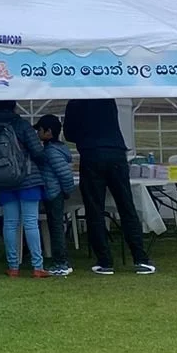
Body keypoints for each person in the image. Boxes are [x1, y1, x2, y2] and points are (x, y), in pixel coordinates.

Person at [64, 98, 155, 275]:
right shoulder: (107, 96)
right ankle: (140, 258)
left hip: (91, 153)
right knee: (126, 206)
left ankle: (105, 261)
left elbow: (69, 134)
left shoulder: (75, 101)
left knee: (94, 209)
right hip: (116, 152)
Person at [0, 101, 48, 276]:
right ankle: (37, 266)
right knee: (30, 222)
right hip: (28, 179)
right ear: (15, 106)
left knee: (10, 224)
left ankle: (13, 267)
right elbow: (37, 152)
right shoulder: (22, 125)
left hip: (4, 182)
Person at [33, 114, 77, 277]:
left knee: (56, 227)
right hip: (54, 193)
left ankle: (61, 262)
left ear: (49, 132)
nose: (38, 133)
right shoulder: (56, 149)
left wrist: (66, 191)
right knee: (54, 226)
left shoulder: (51, 151)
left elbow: (65, 176)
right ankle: (59, 260)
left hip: (54, 193)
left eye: (40, 130)